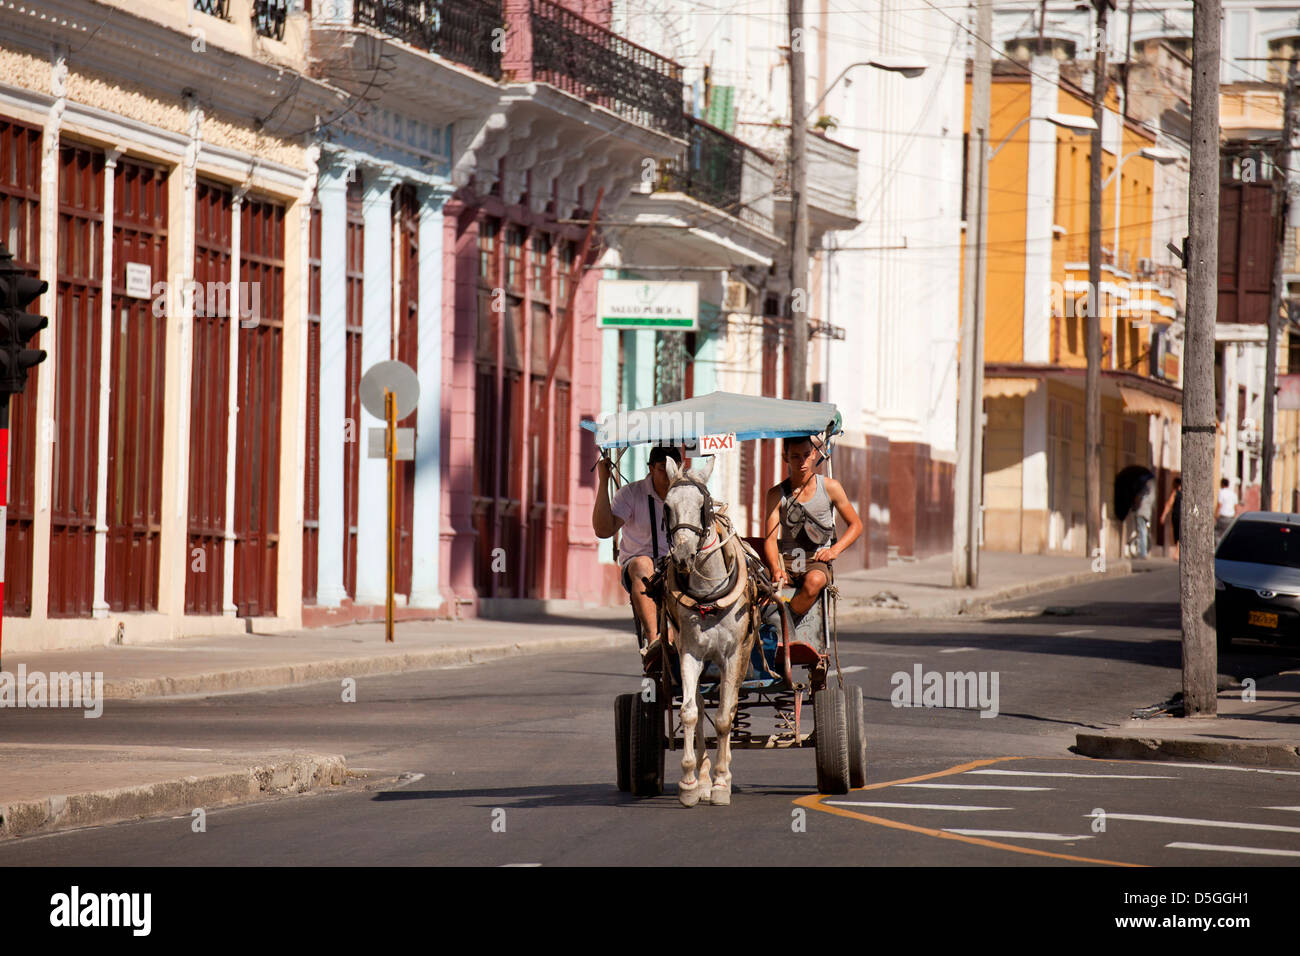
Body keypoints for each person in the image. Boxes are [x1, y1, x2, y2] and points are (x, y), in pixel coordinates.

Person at [762, 435, 863, 621]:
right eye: (795, 456)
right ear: (786, 457)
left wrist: (834, 550)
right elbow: (769, 538)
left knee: (814, 581)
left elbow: (856, 525)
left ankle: (784, 623)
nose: (801, 461)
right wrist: (776, 568)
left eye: (806, 455)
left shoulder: (830, 487)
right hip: (787, 562)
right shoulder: (776, 494)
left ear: (814, 454)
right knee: (757, 585)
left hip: (816, 562)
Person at [593, 445, 680, 657]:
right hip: (639, 569)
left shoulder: (686, 495)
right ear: (650, 468)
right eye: (662, 468)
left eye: (674, 468)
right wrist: (604, 481)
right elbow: (603, 530)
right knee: (643, 564)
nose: (669, 474)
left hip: (676, 565)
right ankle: (654, 643)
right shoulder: (631, 494)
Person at [1132, 475, 1155, 558]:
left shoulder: (1142, 493)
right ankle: (1143, 551)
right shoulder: (1150, 494)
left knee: (1142, 532)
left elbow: (1138, 501)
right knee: (1143, 531)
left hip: (1141, 512)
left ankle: (1143, 552)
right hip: (1147, 514)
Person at [1159, 477, 1182, 559]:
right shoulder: (1184, 493)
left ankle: (1177, 553)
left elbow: (1169, 504)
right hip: (1183, 516)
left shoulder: (1175, 493)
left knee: (1177, 534)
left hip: (1176, 515)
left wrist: (1163, 515)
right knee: (1180, 534)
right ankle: (1177, 552)